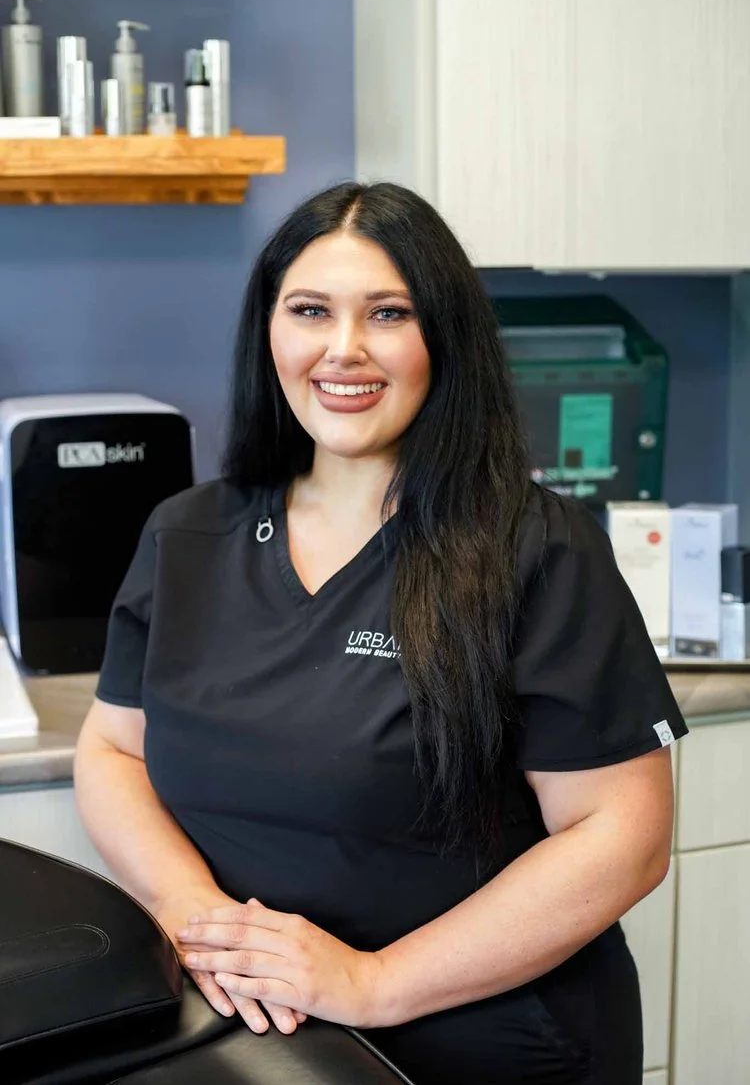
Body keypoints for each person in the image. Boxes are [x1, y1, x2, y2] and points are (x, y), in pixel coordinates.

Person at [74, 181, 688, 1085]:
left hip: (482, 1040)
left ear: (443, 337)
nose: (342, 349)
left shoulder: (538, 551)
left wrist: (373, 982)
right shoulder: (187, 535)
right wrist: (192, 911)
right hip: (258, 1037)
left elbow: (622, 837)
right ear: (269, 333)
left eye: (388, 313)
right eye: (310, 310)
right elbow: (113, 749)